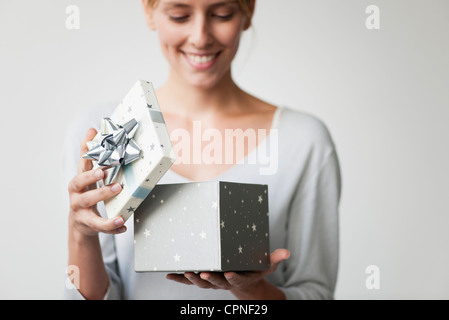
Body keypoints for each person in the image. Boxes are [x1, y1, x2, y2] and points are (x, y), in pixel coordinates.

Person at [63, 0, 341, 300]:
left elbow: (316, 293)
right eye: (180, 15)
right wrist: (81, 234)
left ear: (248, 13)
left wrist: (253, 290)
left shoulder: (302, 140)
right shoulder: (104, 131)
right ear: (149, 11)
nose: (200, 37)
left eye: (222, 14)